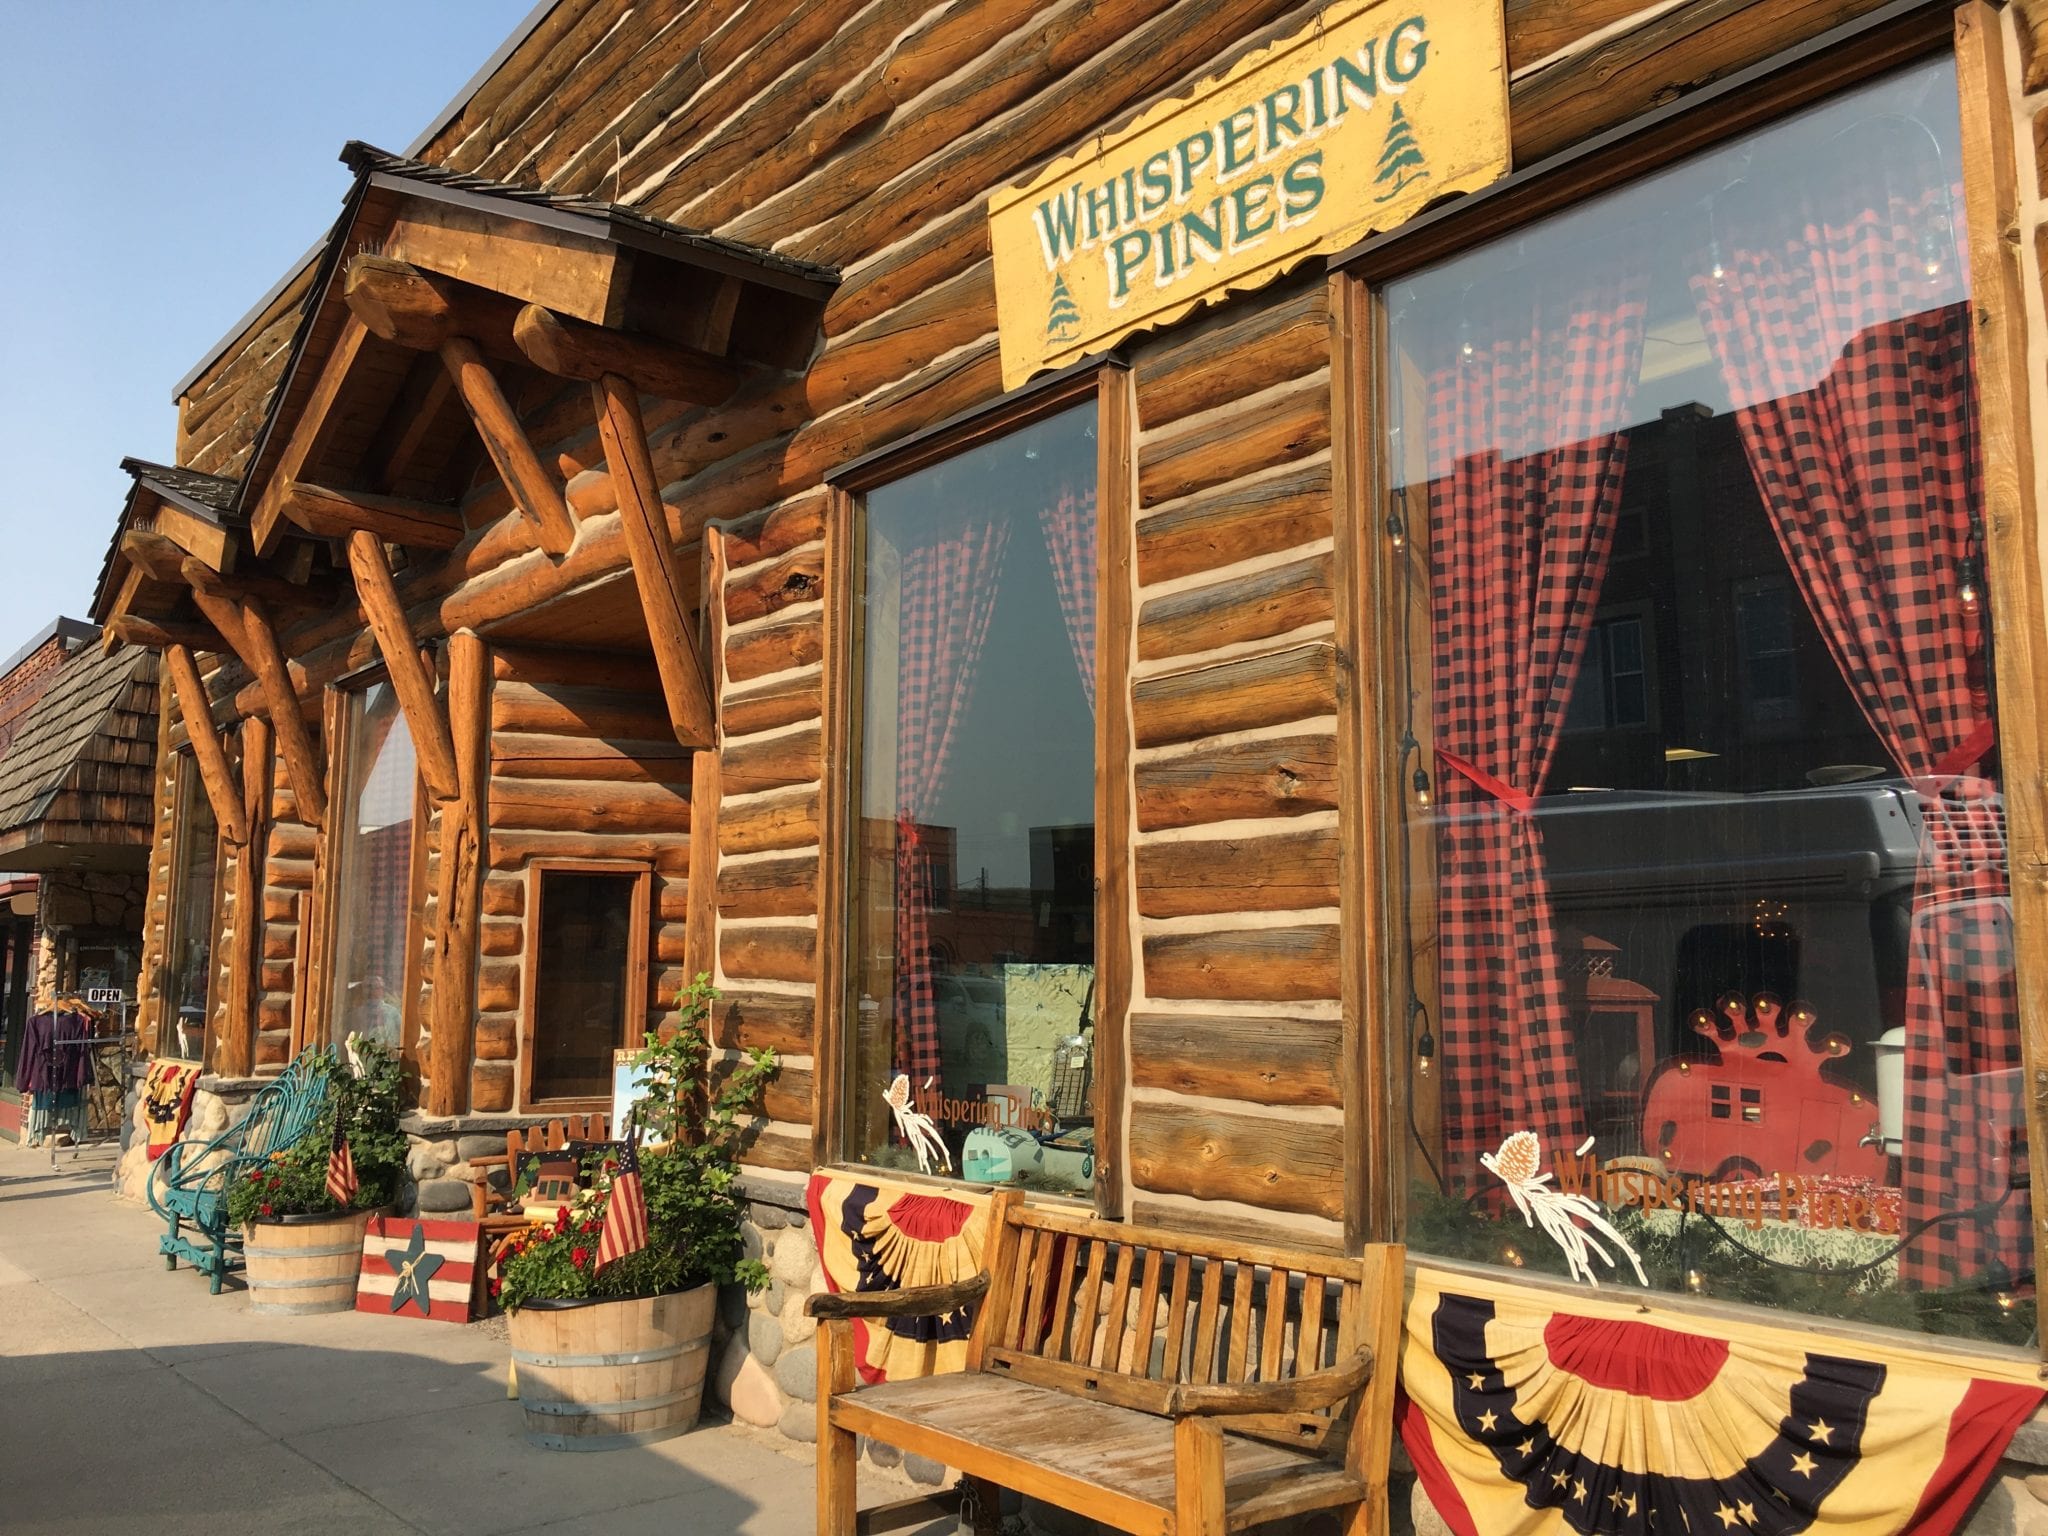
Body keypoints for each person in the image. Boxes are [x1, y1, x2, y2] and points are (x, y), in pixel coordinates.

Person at [344, 974, 401, 1047]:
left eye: (377, 987)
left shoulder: (393, 1013)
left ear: (382, 990)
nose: (373, 991)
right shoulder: (356, 1015)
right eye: (370, 987)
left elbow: (403, 1033)